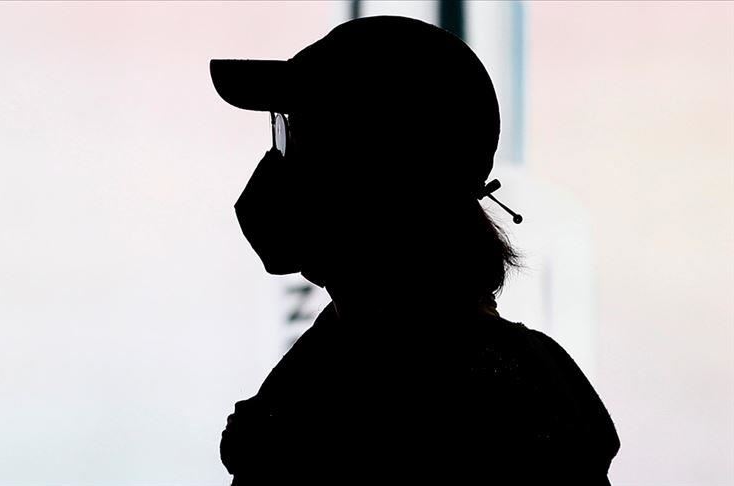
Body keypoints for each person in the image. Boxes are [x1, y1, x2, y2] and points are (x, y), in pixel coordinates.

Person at [210, 16, 620, 485]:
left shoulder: (481, 395)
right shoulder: (353, 344)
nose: (277, 164)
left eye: (298, 138)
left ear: (380, 170)